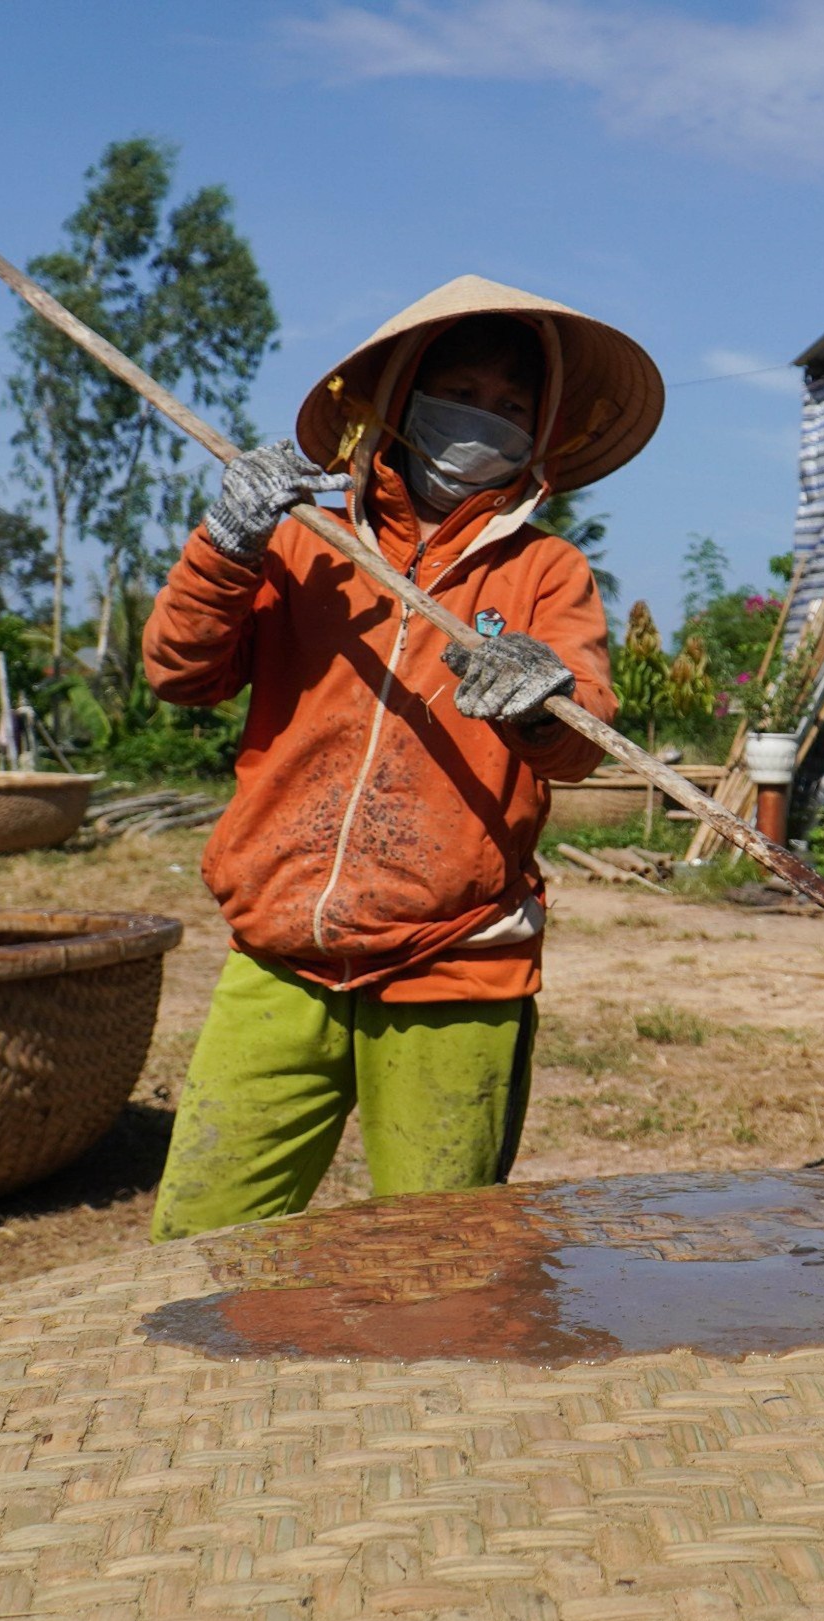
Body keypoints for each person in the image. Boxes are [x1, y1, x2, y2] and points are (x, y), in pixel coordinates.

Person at [140, 276, 664, 1242]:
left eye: (512, 408)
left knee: (442, 1266)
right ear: (404, 398)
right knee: (197, 1249)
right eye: (462, 394)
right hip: (279, 956)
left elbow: (582, 739)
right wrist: (226, 542)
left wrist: (540, 699)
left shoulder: (545, 571)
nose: (484, 421)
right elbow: (179, 671)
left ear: (539, 436)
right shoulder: (302, 542)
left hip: (456, 964)